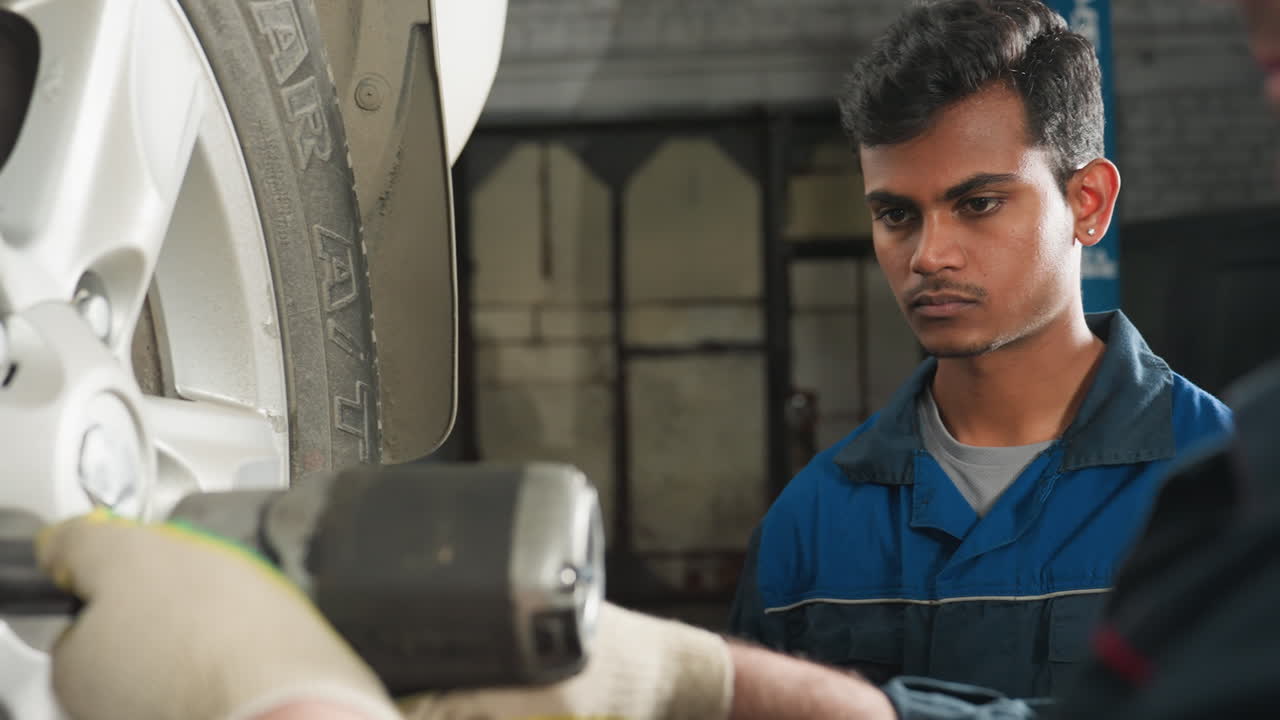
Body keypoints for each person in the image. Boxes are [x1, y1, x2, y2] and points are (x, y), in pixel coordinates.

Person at [727, 0, 1232, 697]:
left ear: (1087, 202)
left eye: (978, 204)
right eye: (896, 214)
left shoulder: (1227, 487)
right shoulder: (809, 524)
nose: (928, 256)